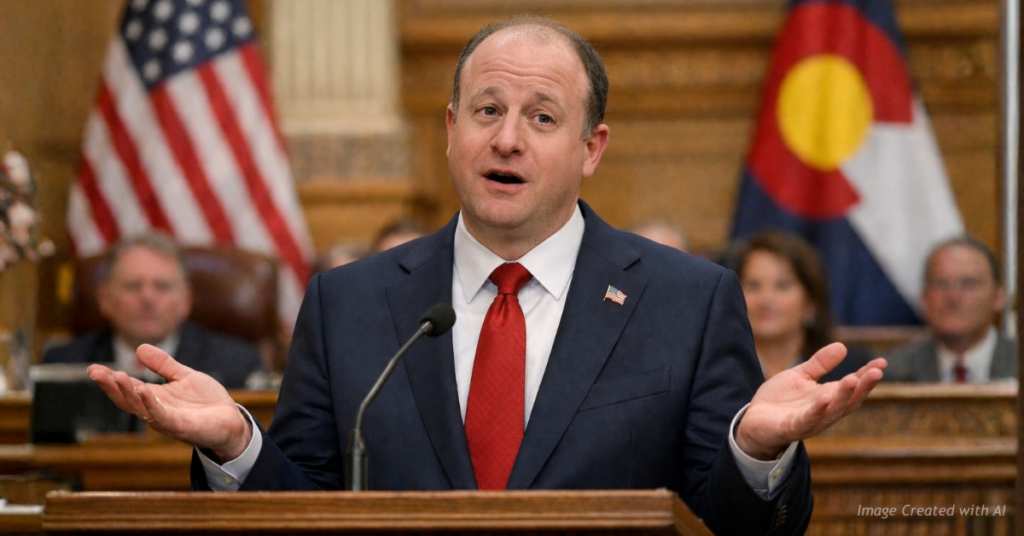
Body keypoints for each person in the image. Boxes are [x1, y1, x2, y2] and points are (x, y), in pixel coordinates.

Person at [88, 16, 885, 535]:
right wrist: (236, 444)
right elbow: (307, 511)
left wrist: (752, 448)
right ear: (451, 130)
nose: (508, 139)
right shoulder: (349, 303)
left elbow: (732, 526)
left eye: (542, 118)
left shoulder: (687, 299)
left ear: (591, 148)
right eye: (486, 111)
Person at [45, 233, 264, 389]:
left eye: (162, 286)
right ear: (105, 299)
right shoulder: (62, 365)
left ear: (185, 301)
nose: (147, 298)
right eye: (132, 286)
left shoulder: (237, 367)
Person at [730, 231, 872, 383]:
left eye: (782, 286)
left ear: (811, 303)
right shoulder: (718, 371)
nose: (765, 299)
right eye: (752, 286)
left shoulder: (847, 368)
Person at [885, 237, 1016, 383]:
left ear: (998, 297)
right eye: (941, 283)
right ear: (924, 297)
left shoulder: (1017, 364)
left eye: (969, 283)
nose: (953, 297)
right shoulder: (892, 373)